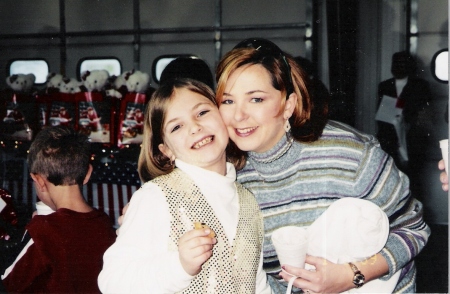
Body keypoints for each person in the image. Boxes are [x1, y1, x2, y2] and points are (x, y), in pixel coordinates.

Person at [214, 38, 429, 293]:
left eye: (256, 99)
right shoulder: (228, 179)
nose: (238, 115)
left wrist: (351, 275)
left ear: (288, 105)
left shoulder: (349, 155)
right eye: (228, 101)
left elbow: (413, 227)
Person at [98, 78, 271, 293]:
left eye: (202, 113)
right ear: (166, 150)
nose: (195, 128)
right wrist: (179, 265)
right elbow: (113, 282)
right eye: (177, 126)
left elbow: (256, 283)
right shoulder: (155, 197)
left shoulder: (249, 201)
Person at [1, 125, 116, 293]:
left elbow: (8, 282)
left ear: (38, 181)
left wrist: (32, 230)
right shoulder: (104, 223)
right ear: (87, 174)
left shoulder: (42, 230)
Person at [375, 51, 432, 193]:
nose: (398, 66)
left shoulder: (420, 86)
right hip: (390, 142)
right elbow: (383, 118)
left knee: (414, 183)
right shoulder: (385, 86)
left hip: (412, 141)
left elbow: (424, 116)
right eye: (396, 63)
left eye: (402, 63)